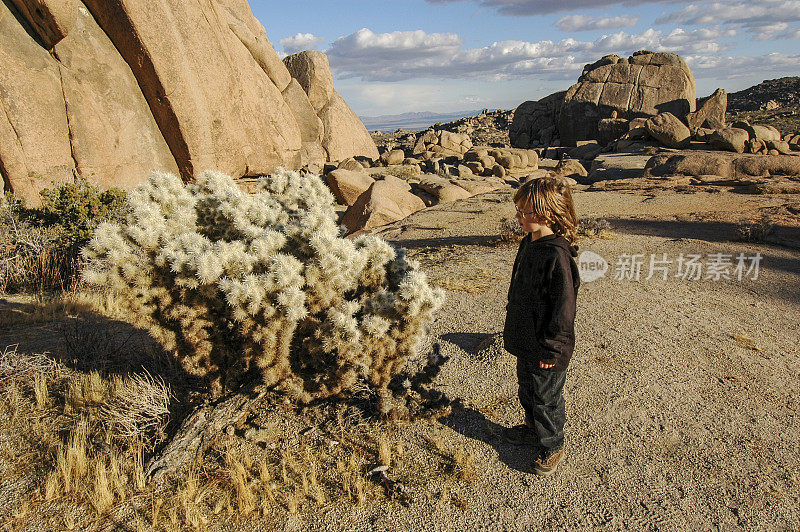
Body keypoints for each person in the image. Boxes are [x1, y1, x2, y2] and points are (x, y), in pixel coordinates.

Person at [502, 176, 580, 476]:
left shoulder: (556, 254)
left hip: (547, 346)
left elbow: (563, 310)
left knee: (546, 398)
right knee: (527, 388)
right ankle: (531, 429)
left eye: (525, 212)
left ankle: (552, 444)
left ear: (547, 214)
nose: (519, 217)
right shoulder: (528, 242)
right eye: (518, 211)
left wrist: (554, 350)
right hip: (526, 336)